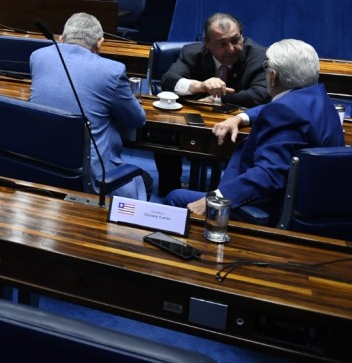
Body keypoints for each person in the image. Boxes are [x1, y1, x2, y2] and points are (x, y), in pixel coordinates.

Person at [167, 39, 344, 223]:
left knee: (176, 197)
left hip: (270, 209)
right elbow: (277, 108)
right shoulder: (319, 98)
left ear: (273, 76)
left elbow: (268, 175)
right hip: (318, 205)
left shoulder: (284, 111)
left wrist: (215, 198)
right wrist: (241, 117)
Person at [30, 13, 149, 200]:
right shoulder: (113, 70)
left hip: (39, 163)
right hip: (91, 177)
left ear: (61, 38)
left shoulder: (38, 57)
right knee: (146, 180)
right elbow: (137, 120)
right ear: (100, 42)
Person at [155, 13, 271, 195]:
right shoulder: (192, 53)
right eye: (222, 44)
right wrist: (199, 86)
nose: (231, 49)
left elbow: (260, 95)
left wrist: (217, 98)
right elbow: (168, 81)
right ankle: (170, 192)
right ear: (207, 43)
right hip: (197, 122)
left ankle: (229, 196)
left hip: (239, 126)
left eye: (235, 40)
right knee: (164, 130)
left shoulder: (259, 56)